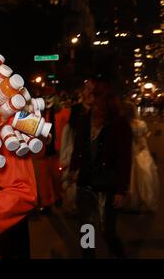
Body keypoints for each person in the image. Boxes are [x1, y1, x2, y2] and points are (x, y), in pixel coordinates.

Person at [70, 78, 132, 259]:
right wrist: (73, 169)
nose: (84, 94)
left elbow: (124, 159)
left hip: (109, 184)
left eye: (89, 91)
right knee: (86, 227)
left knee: (108, 232)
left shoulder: (119, 123)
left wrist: (121, 189)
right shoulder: (83, 119)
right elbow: (78, 147)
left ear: (101, 97)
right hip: (86, 182)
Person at [123, 102, 160, 212]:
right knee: (144, 175)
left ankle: (131, 201)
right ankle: (143, 200)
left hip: (130, 150)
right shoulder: (141, 124)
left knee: (131, 175)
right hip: (142, 150)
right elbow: (145, 135)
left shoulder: (125, 124)